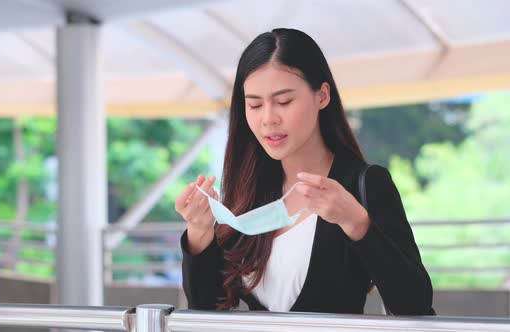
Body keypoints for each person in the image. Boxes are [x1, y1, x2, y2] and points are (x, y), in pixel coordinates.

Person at [174, 28, 435, 315]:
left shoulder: (363, 183)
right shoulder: (249, 189)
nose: (268, 118)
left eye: (284, 102)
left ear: (322, 96)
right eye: (255, 105)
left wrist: (358, 224)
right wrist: (199, 234)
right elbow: (207, 312)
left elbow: (415, 305)